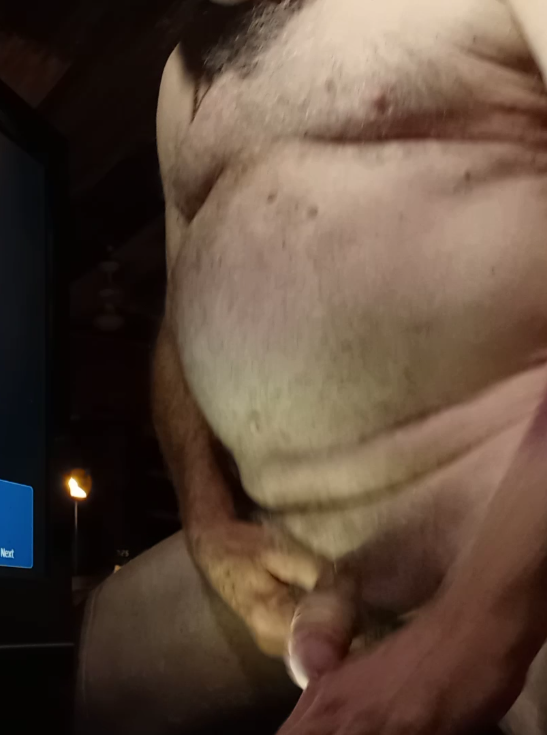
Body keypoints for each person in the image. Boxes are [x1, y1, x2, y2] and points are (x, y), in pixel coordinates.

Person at [154, 0, 547, 732]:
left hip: (515, 559)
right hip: (298, 578)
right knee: (77, 671)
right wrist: (207, 523)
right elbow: (175, 330)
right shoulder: (179, 82)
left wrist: (473, 631)